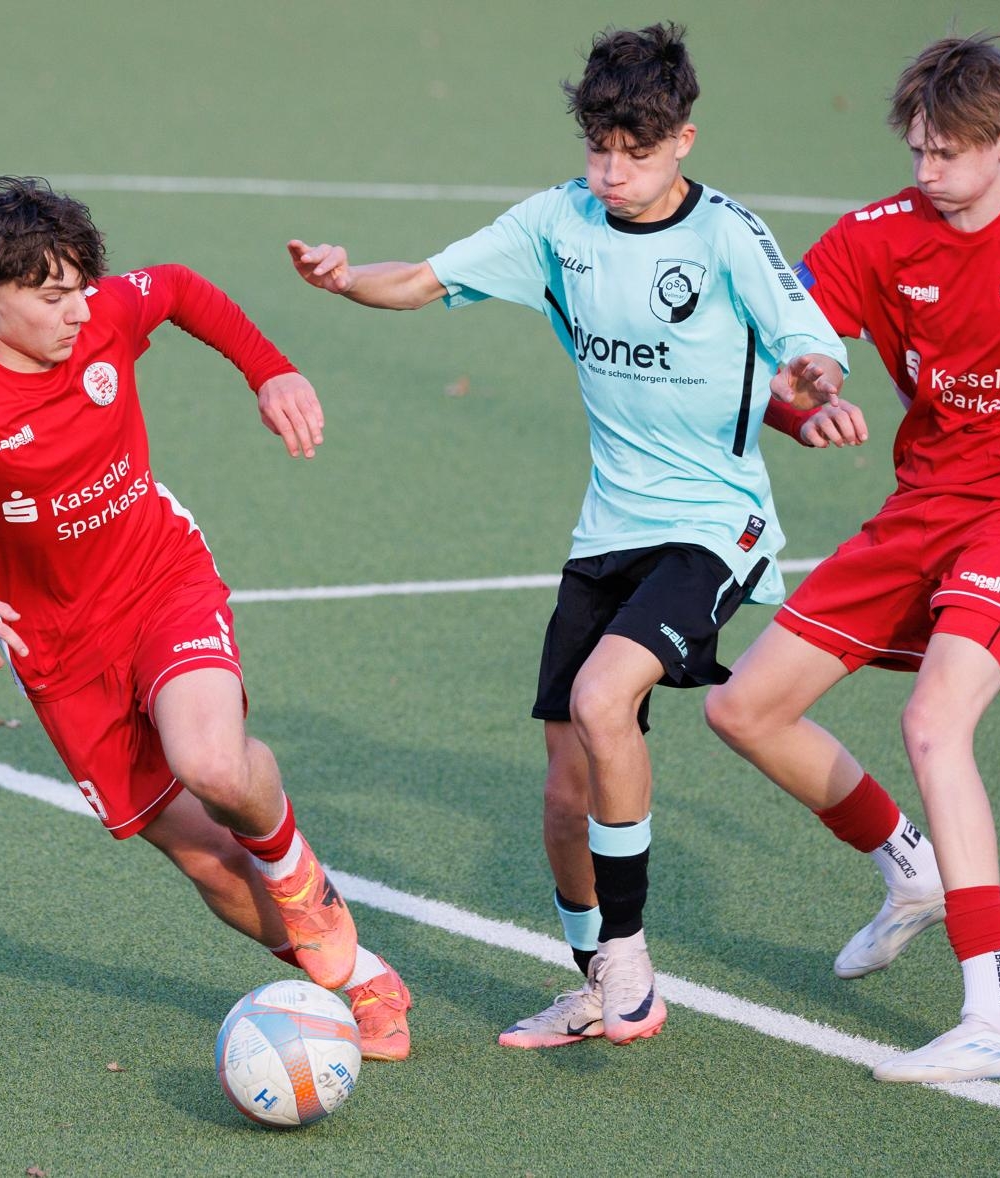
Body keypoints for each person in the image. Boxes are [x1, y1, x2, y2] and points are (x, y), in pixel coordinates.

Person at [288, 24, 847, 1048]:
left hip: (713, 524)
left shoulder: (726, 233)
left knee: (602, 697)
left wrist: (817, 378)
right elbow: (420, 279)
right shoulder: (558, 222)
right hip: (608, 530)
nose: (612, 172)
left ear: (683, 141)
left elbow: (805, 336)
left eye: (636, 152)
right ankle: (596, 981)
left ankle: (628, 956)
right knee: (563, 789)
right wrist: (344, 277)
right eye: (599, 149)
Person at [0, 176, 412, 1060]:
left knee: (212, 763)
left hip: (159, 581)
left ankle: (297, 872)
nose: (77, 313)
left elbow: (176, 287)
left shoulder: (99, 315)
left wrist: (270, 369)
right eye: (52, 297)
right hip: (62, 655)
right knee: (208, 861)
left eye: (81, 289)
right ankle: (364, 980)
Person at [706, 34, 1000, 1083]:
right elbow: (772, 361)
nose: (924, 171)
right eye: (917, 149)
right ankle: (910, 868)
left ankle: (997, 1015)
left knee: (934, 720)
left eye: (947, 153)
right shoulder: (874, 238)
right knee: (743, 708)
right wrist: (804, 402)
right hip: (919, 510)